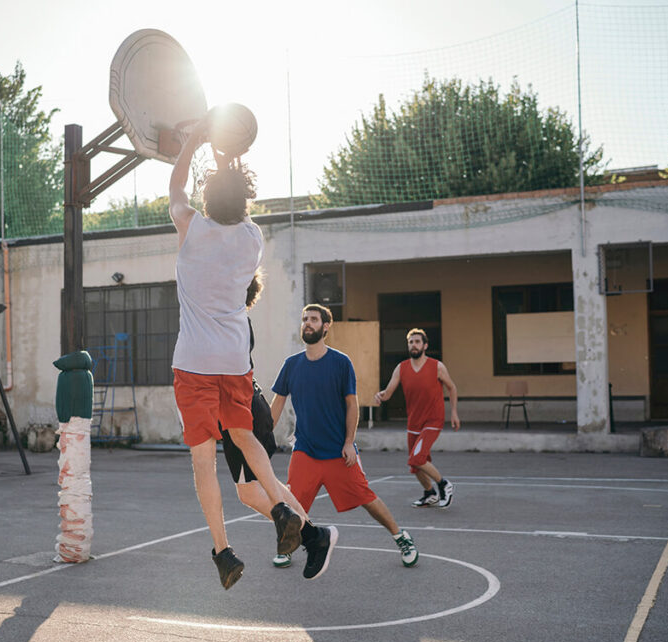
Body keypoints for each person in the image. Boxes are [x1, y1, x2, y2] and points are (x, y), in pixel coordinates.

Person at [169, 116, 337, 589]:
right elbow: (233, 207)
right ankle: (283, 511)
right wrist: (227, 158)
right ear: (244, 201)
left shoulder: (191, 228)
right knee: (244, 438)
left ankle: (223, 551)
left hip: (195, 363)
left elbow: (176, 189)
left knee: (203, 460)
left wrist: (192, 143)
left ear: (206, 200)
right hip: (233, 365)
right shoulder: (251, 239)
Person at [265, 304, 418, 570]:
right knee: (291, 503)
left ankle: (401, 537)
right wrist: (261, 436)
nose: (307, 323)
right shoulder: (291, 365)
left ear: (326, 326)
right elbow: (277, 404)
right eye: (305, 319)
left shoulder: (340, 362)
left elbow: (351, 404)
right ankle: (287, 546)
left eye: (314, 319)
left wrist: (349, 442)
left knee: (366, 498)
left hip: (338, 451)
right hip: (305, 450)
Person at [374, 328, 460, 508]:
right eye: (411, 342)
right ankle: (430, 493)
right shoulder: (401, 368)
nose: (414, 345)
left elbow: (452, 387)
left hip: (433, 420)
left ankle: (444, 484)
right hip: (414, 422)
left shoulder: (437, 366)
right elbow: (388, 392)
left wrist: (454, 412)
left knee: (416, 458)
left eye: (417, 342)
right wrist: (380, 395)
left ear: (425, 345)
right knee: (416, 465)